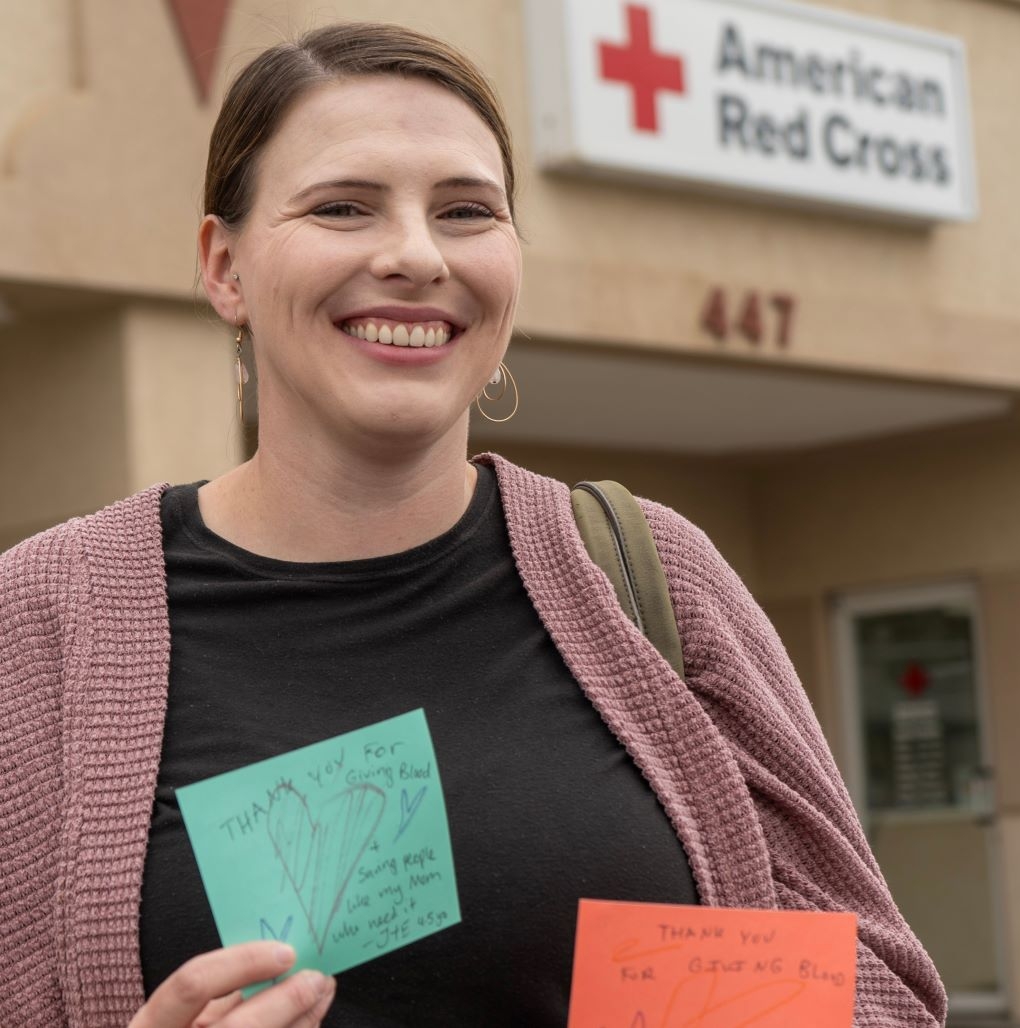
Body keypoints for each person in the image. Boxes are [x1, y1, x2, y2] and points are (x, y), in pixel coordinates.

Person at [0, 21, 946, 1028]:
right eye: (342, 206)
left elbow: (880, 981)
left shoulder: (647, 570)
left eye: (464, 211)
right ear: (223, 265)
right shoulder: (45, 619)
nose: (414, 253)